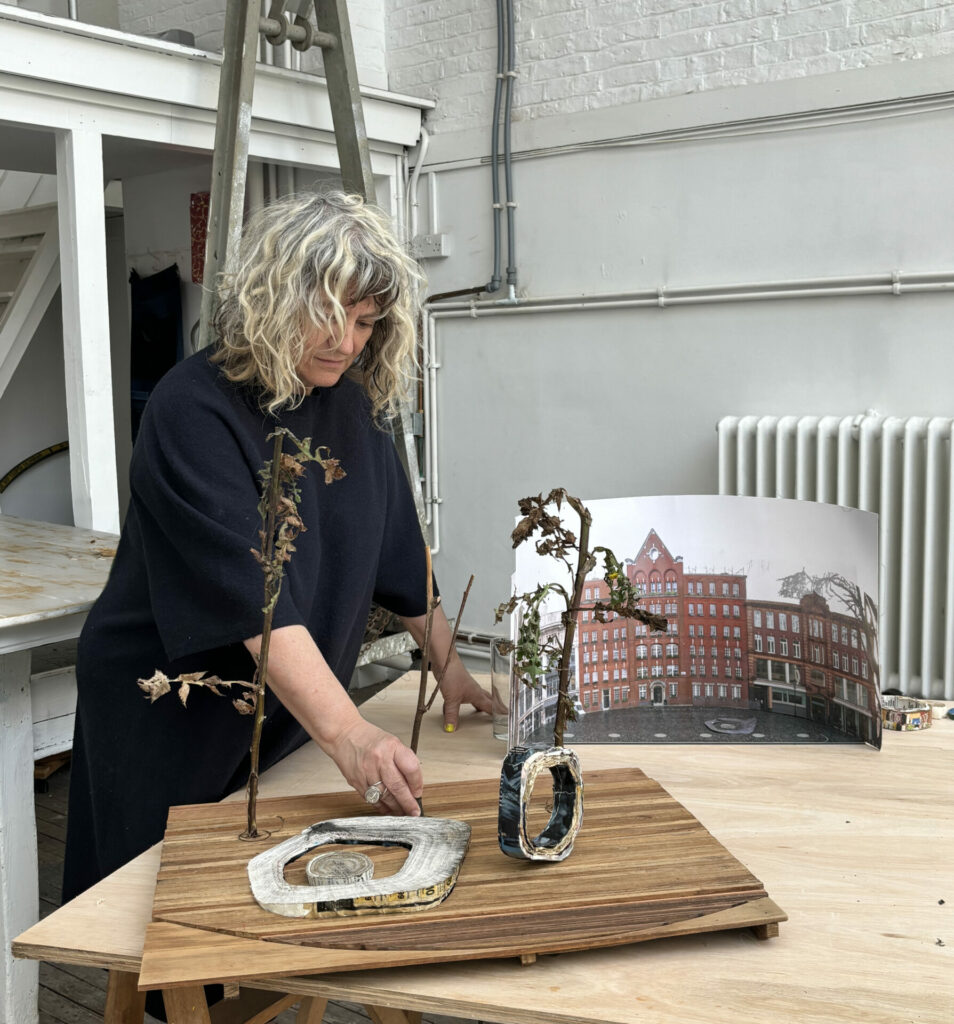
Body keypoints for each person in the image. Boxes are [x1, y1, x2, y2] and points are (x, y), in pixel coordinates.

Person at [63, 190, 492, 905]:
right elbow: (248, 597)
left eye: (364, 322)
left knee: (264, 888)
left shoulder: (352, 405)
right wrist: (352, 737)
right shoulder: (191, 410)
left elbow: (398, 553)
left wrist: (451, 669)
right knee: (158, 910)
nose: (346, 341)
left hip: (281, 710)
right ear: (271, 296)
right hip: (167, 706)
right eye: (326, 314)